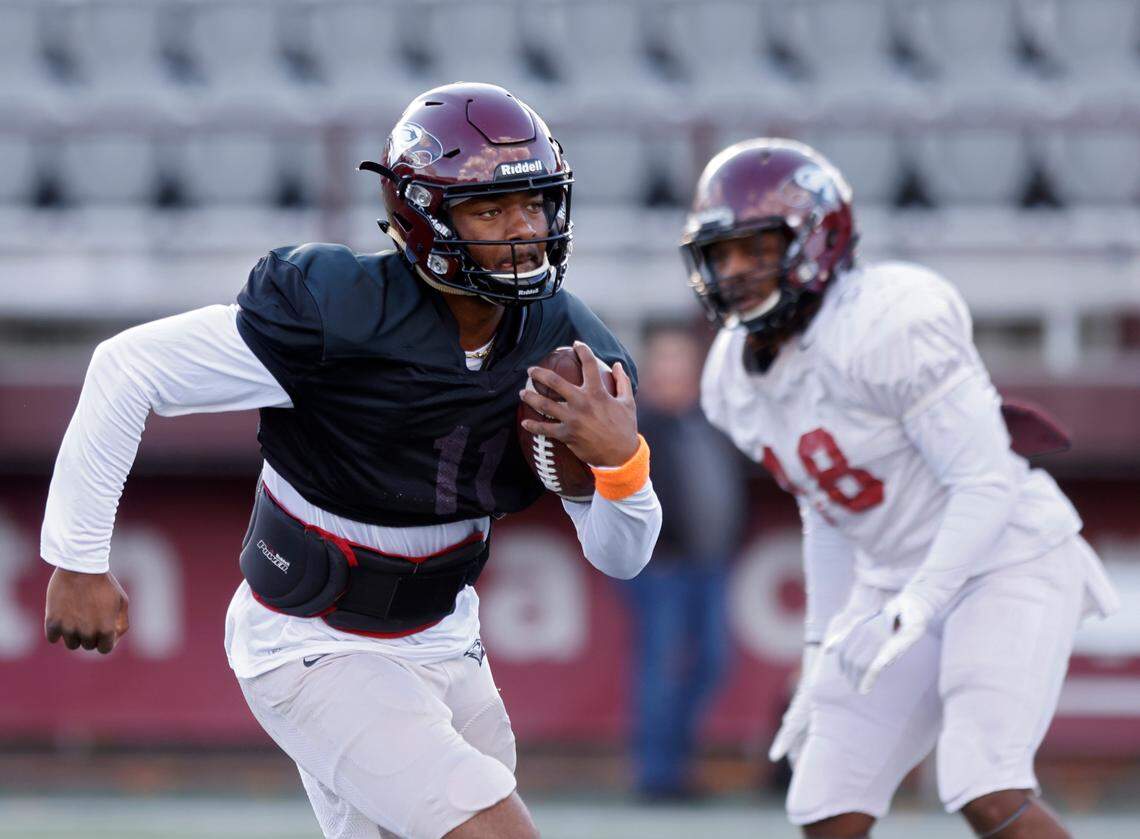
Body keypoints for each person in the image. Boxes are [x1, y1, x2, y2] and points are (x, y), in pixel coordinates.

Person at [40, 82, 662, 839]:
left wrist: (621, 463)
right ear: (423, 214)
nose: (524, 230)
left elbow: (621, 556)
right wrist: (76, 556)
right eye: (492, 210)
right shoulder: (336, 309)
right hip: (313, 641)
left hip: (446, 637)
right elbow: (126, 368)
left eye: (533, 204)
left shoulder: (570, 351)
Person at [683, 138, 1118, 838]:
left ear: (815, 241)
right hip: (896, 582)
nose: (734, 271)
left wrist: (919, 601)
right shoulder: (730, 375)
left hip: (1006, 555)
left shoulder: (887, 321)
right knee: (824, 800)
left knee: (983, 779)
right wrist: (820, 646)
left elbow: (982, 483)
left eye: (755, 249)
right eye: (722, 254)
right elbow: (824, 509)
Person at [623, 321, 745, 800]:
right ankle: (658, 775)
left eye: (682, 361)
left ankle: (676, 761)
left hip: (711, 563)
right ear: (650, 370)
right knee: (662, 666)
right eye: (666, 360)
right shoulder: (636, 425)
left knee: (712, 662)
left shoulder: (707, 419)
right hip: (664, 567)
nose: (674, 371)